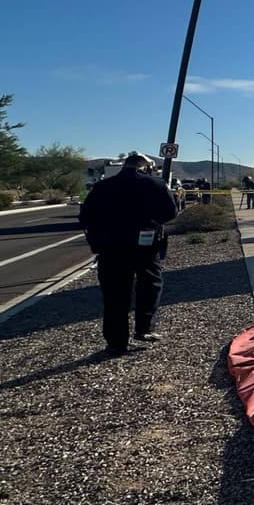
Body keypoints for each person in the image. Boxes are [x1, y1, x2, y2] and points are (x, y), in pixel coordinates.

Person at [78, 151, 179, 356]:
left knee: (114, 295)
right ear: (145, 166)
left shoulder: (102, 187)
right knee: (150, 285)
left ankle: (116, 342)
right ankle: (144, 328)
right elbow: (171, 213)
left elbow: (85, 217)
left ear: (125, 165)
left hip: (110, 248)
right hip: (145, 247)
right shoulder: (155, 184)